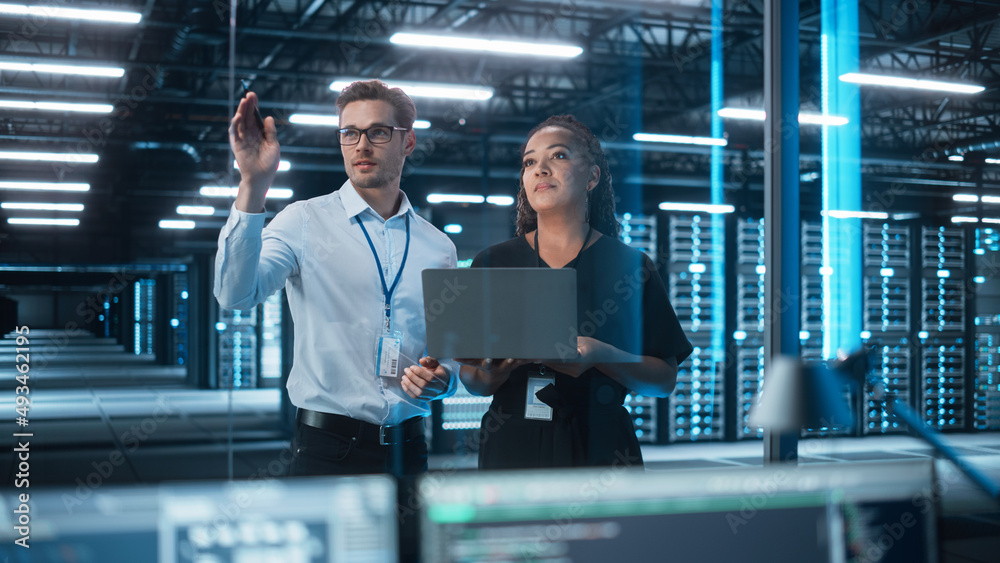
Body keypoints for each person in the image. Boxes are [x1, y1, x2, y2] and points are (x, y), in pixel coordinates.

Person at [215, 79, 458, 478]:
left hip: (410, 451)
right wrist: (253, 185)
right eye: (350, 133)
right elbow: (235, 295)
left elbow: (447, 355)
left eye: (379, 132)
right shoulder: (303, 221)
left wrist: (443, 380)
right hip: (326, 452)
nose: (362, 145)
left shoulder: (438, 247)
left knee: (411, 545)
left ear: (408, 142)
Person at [459, 115, 692, 470]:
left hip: (601, 447)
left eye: (559, 156)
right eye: (529, 162)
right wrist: (493, 371)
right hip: (512, 445)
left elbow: (664, 381)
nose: (541, 169)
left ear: (592, 177)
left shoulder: (630, 266)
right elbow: (473, 380)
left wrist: (602, 354)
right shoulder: (493, 262)